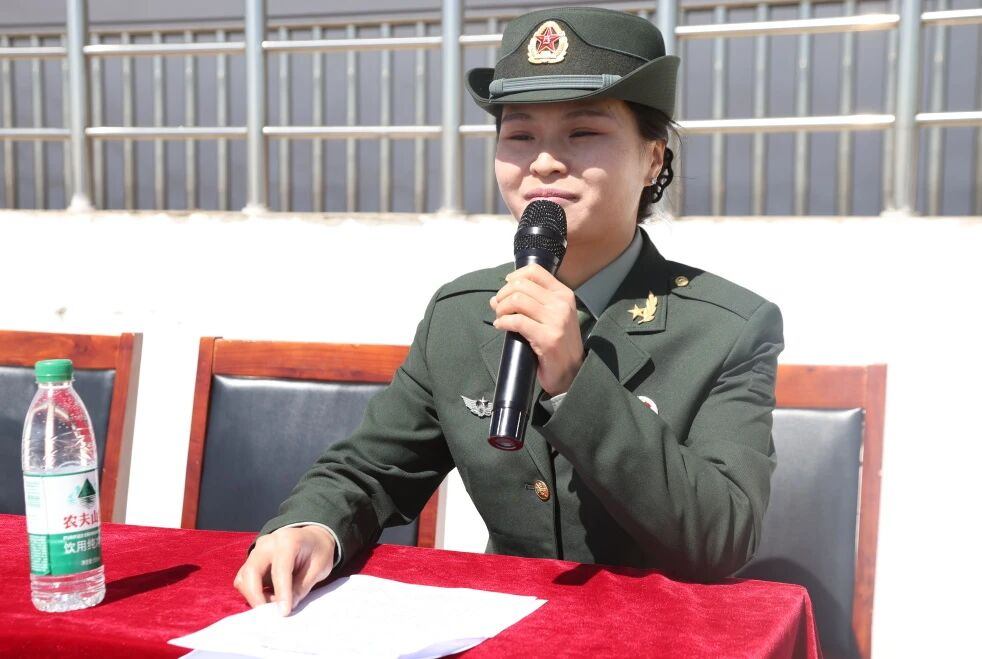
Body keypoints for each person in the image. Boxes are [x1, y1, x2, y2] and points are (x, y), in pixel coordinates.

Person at [234, 6, 784, 616]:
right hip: (509, 628)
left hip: (660, 634)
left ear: (653, 158)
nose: (543, 162)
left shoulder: (729, 328)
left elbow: (722, 539)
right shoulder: (462, 312)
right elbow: (371, 470)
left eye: (583, 132)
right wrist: (312, 527)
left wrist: (577, 383)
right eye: (519, 136)